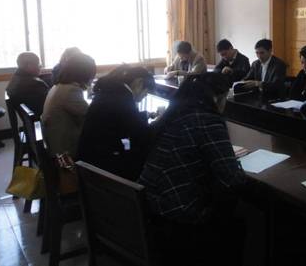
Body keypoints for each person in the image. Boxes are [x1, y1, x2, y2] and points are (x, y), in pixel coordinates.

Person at [139, 72, 245, 265]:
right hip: (178, 213)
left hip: (150, 204)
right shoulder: (208, 120)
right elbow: (231, 178)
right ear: (216, 98)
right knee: (239, 213)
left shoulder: (174, 113)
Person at [78, 66, 157, 180]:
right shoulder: (123, 97)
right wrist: (160, 121)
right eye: (146, 93)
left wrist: (145, 116)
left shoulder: (111, 91)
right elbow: (140, 133)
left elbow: (124, 120)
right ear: (139, 82)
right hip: (102, 165)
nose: (143, 97)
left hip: (89, 159)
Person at [42, 53, 96, 157]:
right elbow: (90, 116)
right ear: (84, 73)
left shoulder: (58, 86)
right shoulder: (70, 91)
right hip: (65, 149)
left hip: (55, 140)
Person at [6, 52, 49, 117]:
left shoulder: (15, 79)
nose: (40, 67)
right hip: (43, 118)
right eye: (38, 64)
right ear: (29, 66)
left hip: (32, 118)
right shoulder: (34, 84)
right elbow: (51, 103)